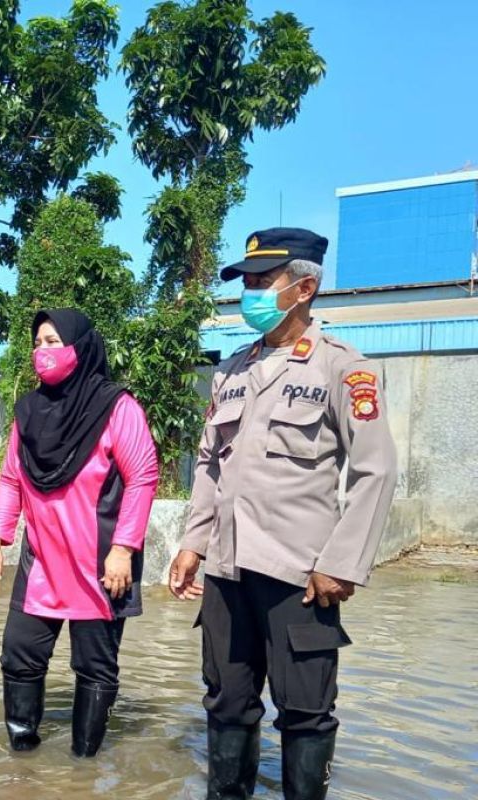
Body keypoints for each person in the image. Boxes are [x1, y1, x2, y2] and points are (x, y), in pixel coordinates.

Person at [168, 228, 398, 800]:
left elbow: (377, 471)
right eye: (245, 282)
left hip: (301, 575)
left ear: (305, 288)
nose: (249, 292)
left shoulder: (343, 369)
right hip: (227, 569)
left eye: (261, 281)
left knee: (306, 713)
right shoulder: (231, 373)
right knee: (227, 702)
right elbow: (208, 466)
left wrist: (342, 563)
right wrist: (193, 544)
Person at [0, 310, 159, 757]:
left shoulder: (118, 407)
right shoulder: (28, 412)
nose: (43, 351)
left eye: (53, 341)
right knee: (19, 655)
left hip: (101, 562)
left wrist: (123, 549)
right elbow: (10, 479)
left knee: (94, 667)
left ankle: (84, 764)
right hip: (41, 558)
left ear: (80, 348)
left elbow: (143, 476)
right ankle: (23, 759)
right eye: (38, 342)